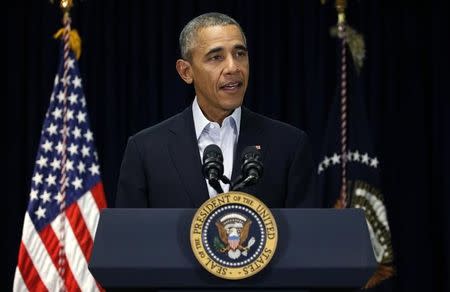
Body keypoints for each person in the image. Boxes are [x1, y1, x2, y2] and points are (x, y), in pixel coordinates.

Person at [115, 12, 317, 208]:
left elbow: (306, 235)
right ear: (186, 72)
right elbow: (131, 238)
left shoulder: (290, 145)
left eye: (240, 54)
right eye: (216, 57)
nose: (233, 67)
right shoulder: (145, 150)